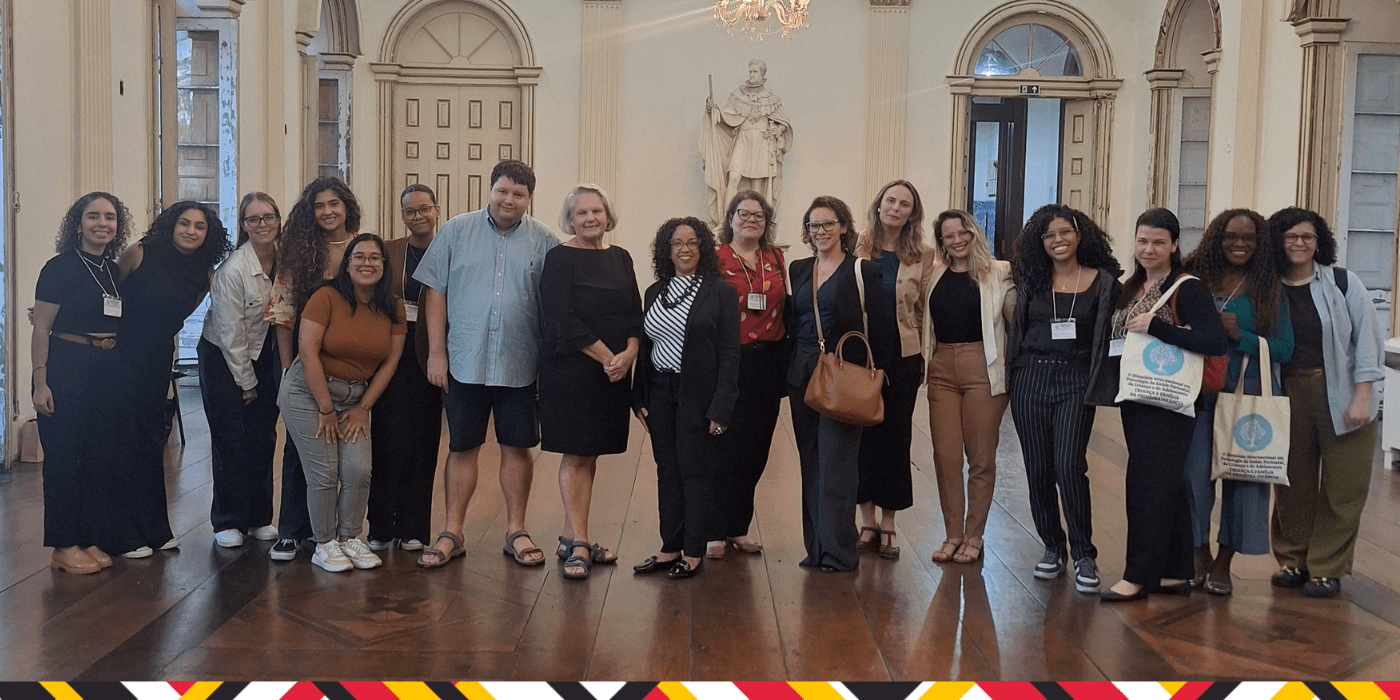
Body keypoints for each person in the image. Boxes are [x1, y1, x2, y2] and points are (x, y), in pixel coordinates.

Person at [414, 160, 561, 569]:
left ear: (529, 198)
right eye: (502, 191)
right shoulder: (456, 231)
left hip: (519, 362)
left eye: (518, 194)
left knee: (517, 448)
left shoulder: (545, 240)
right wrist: (437, 353)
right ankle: (452, 531)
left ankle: (516, 529)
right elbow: (435, 293)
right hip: (464, 360)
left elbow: (552, 307)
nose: (508, 199)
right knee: (462, 446)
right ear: (490, 189)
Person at [1101, 208, 1227, 602]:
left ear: (1174, 244)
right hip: (1135, 394)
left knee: (1144, 486)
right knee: (1161, 486)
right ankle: (1174, 572)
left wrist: (1158, 327)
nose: (1148, 249)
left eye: (1158, 242)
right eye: (1142, 241)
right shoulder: (1130, 285)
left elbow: (1214, 342)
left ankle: (1137, 575)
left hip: (1169, 401)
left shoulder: (1188, 288)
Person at [105, 201, 233, 558]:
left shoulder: (205, 274)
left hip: (157, 359)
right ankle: (121, 535)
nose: (191, 231)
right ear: (171, 225)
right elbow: (104, 295)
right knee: (123, 443)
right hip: (118, 356)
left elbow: (175, 318)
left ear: (209, 234)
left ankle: (155, 528)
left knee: (150, 443)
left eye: (199, 226)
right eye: (184, 223)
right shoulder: (139, 253)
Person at [1268, 207, 1384, 599]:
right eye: (1291, 237)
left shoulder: (1342, 282)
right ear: (1278, 241)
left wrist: (1363, 397)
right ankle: (1293, 560)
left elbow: (1368, 342)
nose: (1300, 244)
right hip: (1288, 394)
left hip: (1343, 392)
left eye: (1308, 237)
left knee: (1344, 485)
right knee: (1292, 482)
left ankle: (1327, 567)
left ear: (1319, 243)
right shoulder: (1268, 286)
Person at [1007, 204, 1122, 593]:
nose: (1058, 241)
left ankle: (1084, 553)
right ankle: (1052, 546)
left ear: (1079, 234)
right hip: (1031, 377)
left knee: (1069, 464)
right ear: (1041, 242)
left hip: (1075, 379)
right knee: (1038, 467)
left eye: (1065, 233)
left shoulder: (1104, 282)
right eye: (1049, 235)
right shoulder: (1031, 280)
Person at [1181, 209, 1293, 596]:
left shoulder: (1269, 287)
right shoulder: (1194, 275)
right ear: (1217, 237)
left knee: (1244, 480)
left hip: (1248, 395)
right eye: (1231, 236)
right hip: (1197, 393)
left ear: (1260, 243)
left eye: (1249, 238)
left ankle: (1224, 563)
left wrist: (1239, 334)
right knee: (1193, 478)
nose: (1240, 244)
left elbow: (1284, 347)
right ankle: (1199, 554)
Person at [279, 234, 406, 572]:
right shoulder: (326, 297)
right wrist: (324, 408)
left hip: (354, 400)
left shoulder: (392, 305)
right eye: (359, 257)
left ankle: (350, 538)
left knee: (358, 470)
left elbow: (391, 362)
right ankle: (324, 543)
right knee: (324, 472)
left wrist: (364, 407)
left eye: (375, 258)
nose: (367, 263)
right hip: (308, 394)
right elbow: (306, 352)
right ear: (347, 264)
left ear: (384, 265)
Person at [787, 196, 898, 572]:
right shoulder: (799, 268)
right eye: (813, 226)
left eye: (828, 224)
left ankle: (839, 551)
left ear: (844, 227)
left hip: (844, 372)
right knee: (810, 462)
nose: (820, 232)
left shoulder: (862, 270)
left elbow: (882, 330)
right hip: (802, 372)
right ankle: (815, 547)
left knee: (837, 463)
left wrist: (881, 379)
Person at [539, 184, 641, 579]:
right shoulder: (560, 258)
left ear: (607, 215)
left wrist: (629, 354)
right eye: (581, 213)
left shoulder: (621, 257)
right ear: (570, 219)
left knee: (591, 454)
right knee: (576, 452)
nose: (590, 219)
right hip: (572, 368)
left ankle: (570, 536)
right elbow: (560, 319)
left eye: (596, 211)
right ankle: (580, 542)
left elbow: (635, 311)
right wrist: (606, 357)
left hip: (614, 370)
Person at [631, 217, 740, 579]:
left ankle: (693, 550)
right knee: (668, 470)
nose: (684, 249)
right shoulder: (654, 292)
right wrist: (639, 397)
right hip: (660, 393)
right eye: (677, 243)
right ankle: (669, 546)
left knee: (695, 471)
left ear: (703, 248)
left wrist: (722, 406)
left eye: (692, 243)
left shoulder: (720, 291)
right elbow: (646, 347)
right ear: (667, 249)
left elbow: (729, 353)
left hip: (700, 395)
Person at [31, 192, 133, 573]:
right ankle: (63, 544)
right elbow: (41, 327)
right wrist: (41, 382)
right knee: (62, 459)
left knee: (98, 457)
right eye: (93, 216)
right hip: (66, 366)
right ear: (78, 224)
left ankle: (88, 536)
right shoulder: (58, 268)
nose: (102, 223)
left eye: (109, 217)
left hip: (107, 367)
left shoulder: (111, 269)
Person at [265, 176, 361, 562]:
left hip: (352, 369)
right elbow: (283, 316)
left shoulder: (362, 246)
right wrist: (289, 371)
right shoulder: (297, 252)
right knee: (300, 449)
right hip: (306, 368)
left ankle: (341, 533)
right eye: (319, 205)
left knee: (348, 454)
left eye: (333, 204)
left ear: (346, 206)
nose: (327, 211)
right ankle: (291, 530)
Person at [851, 180, 935, 559]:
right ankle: (866, 520)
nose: (895, 208)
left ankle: (889, 522)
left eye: (904, 204)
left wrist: (922, 358)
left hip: (902, 356)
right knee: (861, 436)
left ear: (912, 213)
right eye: (890, 200)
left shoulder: (923, 253)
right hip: (861, 354)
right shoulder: (857, 243)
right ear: (879, 204)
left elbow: (922, 311)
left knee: (895, 439)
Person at [925, 210, 1015, 567]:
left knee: (980, 458)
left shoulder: (999, 271)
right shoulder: (934, 274)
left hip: (984, 367)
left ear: (974, 233)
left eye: (963, 232)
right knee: (945, 456)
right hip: (942, 367)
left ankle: (974, 535)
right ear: (942, 242)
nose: (957, 240)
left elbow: (1016, 317)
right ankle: (952, 534)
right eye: (949, 236)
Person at [200, 192, 283, 548]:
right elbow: (230, 334)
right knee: (231, 437)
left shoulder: (286, 261)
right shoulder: (233, 270)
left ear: (278, 220)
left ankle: (259, 516)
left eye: (268, 217)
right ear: (244, 225)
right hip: (222, 356)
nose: (262, 224)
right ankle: (228, 519)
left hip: (265, 350)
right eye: (254, 219)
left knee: (263, 436)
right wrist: (247, 383)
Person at [366, 184, 444, 553]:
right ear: (402, 217)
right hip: (391, 349)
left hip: (432, 350)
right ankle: (380, 527)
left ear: (436, 210)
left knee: (424, 440)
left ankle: (414, 528)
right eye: (410, 211)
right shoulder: (390, 250)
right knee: (386, 440)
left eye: (424, 209)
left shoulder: (450, 248)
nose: (418, 216)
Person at [710, 190, 786, 557]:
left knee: (755, 448)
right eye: (744, 213)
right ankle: (712, 529)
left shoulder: (776, 258)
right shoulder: (715, 257)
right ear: (731, 217)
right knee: (721, 445)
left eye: (759, 216)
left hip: (767, 363)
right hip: (728, 361)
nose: (751, 220)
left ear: (767, 222)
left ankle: (738, 527)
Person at [700, 59, 794, 226]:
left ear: (763, 75)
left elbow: (783, 122)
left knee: (756, 186)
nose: (751, 75)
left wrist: (778, 130)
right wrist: (713, 109)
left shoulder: (772, 98)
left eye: (755, 72)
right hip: (743, 139)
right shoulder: (738, 95)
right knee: (734, 176)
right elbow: (726, 118)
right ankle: (726, 222)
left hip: (762, 143)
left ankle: (756, 224)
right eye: (750, 71)